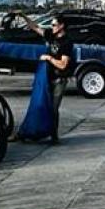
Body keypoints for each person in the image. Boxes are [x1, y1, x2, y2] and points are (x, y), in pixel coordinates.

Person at [26, 15, 74, 144]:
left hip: (59, 79)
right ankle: (40, 131)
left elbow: (63, 65)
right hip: (48, 77)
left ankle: (54, 136)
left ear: (61, 26)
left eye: (53, 25)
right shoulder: (51, 35)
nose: (51, 27)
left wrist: (49, 58)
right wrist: (22, 15)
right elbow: (35, 27)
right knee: (42, 105)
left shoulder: (66, 42)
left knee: (53, 108)